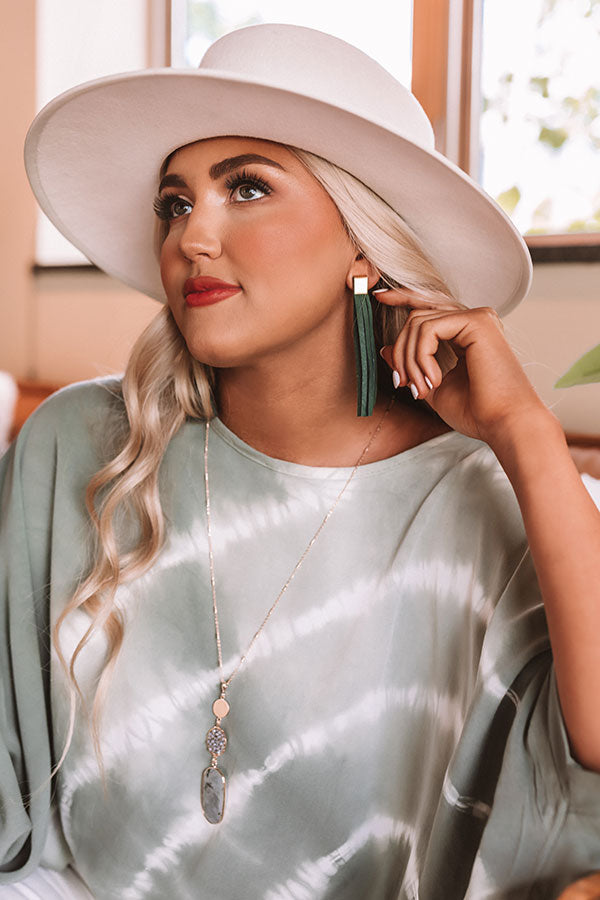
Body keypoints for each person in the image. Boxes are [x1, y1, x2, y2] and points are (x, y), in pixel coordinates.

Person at [1, 22, 600, 900]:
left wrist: (527, 434)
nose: (191, 237)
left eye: (246, 187)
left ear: (362, 242)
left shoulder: (493, 503)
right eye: (174, 203)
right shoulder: (82, 446)